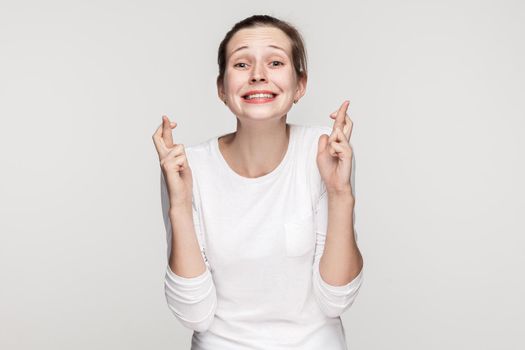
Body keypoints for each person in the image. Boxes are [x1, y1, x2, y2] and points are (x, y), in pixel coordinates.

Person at [152, 14, 364, 350]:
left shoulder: (323, 152)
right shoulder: (188, 167)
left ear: (300, 85)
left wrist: (340, 194)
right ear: (222, 88)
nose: (258, 75)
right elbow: (194, 315)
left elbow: (336, 300)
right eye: (241, 64)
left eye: (276, 62)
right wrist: (179, 205)